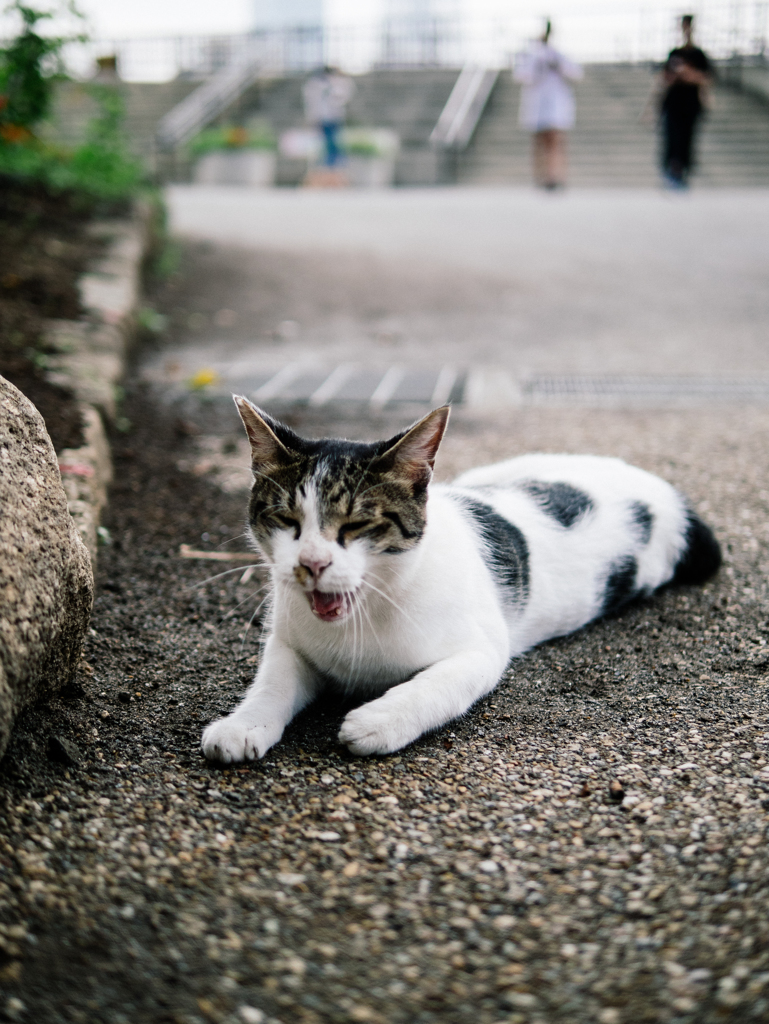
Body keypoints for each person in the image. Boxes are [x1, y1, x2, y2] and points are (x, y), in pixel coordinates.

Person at [514, 20, 582, 190]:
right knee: (539, 143)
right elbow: (521, 75)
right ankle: (540, 176)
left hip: (556, 105)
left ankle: (555, 176)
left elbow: (575, 73)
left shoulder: (558, 55)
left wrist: (557, 65)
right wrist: (537, 67)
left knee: (555, 142)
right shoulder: (532, 56)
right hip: (536, 105)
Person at [659, 14, 713, 188]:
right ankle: (672, 172)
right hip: (673, 103)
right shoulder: (674, 53)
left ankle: (682, 173)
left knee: (686, 139)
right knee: (672, 138)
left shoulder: (699, 55)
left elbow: (706, 77)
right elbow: (665, 78)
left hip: (690, 104)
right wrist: (677, 76)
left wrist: (687, 74)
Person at [302, 66, 355, 170]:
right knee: (323, 141)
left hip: (334, 117)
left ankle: (333, 164)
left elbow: (342, 97)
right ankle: (326, 165)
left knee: (334, 141)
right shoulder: (314, 84)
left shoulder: (337, 83)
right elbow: (311, 101)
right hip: (321, 117)